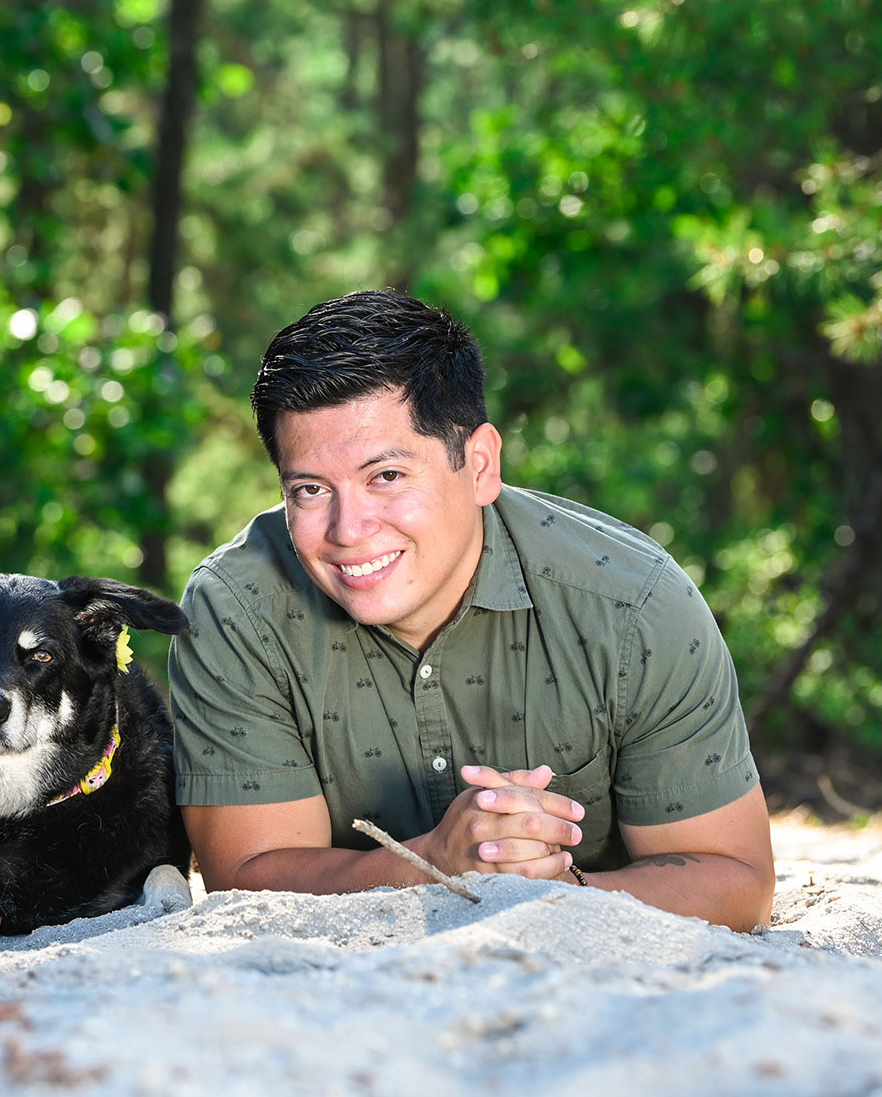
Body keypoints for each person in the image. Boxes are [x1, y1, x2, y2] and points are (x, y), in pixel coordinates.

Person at [169, 290, 774, 932]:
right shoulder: (236, 612)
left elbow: (736, 882)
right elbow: (247, 879)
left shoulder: (633, 606)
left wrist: (564, 889)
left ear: (480, 465)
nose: (348, 530)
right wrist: (432, 861)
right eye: (311, 491)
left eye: (387, 477)